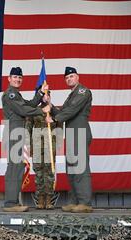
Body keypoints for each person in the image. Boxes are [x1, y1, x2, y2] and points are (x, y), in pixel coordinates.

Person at [2, 67, 50, 212]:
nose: (18, 79)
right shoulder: (10, 94)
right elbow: (23, 110)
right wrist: (41, 110)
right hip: (14, 129)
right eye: (15, 77)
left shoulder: (16, 94)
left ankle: (13, 202)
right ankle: (11, 203)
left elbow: (27, 105)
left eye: (20, 78)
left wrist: (40, 93)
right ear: (9, 79)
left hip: (18, 129)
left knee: (18, 166)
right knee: (14, 167)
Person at [46, 67, 93, 213]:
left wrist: (53, 118)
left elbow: (71, 110)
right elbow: (63, 112)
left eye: (71, 76)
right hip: (72, 131)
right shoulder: (71, 95)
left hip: (80, 130)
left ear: (77, 77)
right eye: (67, 78)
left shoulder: (82, 91)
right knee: (72, 167)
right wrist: (50, 105)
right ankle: (74, 201)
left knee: (80, 167)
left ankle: (85, 202)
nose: (69, 79)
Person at [25, 94, 61, 210]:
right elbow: (28, 128)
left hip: (50, 145)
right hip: (37, 145)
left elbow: (60, 126)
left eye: (47, 95)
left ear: (49, 96)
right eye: (43, 95)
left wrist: (57, 144)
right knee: (39, 171)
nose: (45, 98)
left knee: (49, 172)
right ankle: (40, 198)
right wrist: (29, 145)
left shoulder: (55, 111)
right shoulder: (34, 111)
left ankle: (49, 198)